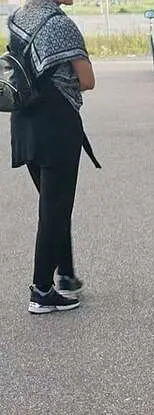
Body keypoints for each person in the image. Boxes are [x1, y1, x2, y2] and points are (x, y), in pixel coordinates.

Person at [7, 0, 99, 314]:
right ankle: (41, 291)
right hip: (56, 124)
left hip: (24, 122)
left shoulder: (19, 16)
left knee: (53, 204)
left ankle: (66, 274)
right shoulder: (61, 25)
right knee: (55, 208)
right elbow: (87, 81)